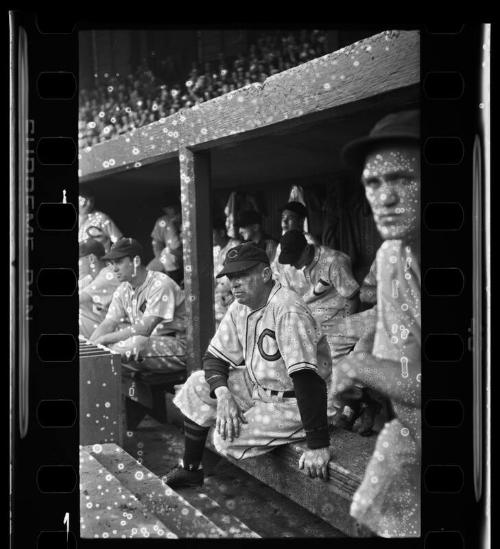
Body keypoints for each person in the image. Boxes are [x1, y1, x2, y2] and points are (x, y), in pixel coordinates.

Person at [165, 243, 333, 488]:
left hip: (293, 402)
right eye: (231, 276)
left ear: (265, 274)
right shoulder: (239, 307)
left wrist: (318, 445)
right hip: (258, 388)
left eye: (242, 275)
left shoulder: (287, 310)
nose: (235, 283)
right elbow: (214, 358)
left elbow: (307, 379)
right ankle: (190, 468)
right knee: (197, 384)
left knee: (226, 438)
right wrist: (223, 396)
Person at [333, 109, 421, 537]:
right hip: (409, 432)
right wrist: (361, 351)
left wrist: (355, 367)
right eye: (374, 182)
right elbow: (384, 323)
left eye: (403, 178)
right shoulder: (391, 254)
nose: (386, 197)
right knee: (370, 520)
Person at [89, 237, 186, 372]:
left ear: (136, 261)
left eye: (119, 262)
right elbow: (109, 323)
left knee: (135, 345)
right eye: (112, 263)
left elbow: (145, 329)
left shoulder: (160, 284)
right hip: (151, 344)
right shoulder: (123, 289)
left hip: (180, 345)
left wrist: (104, 339)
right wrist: (90, 346)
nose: (114, 268)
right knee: (103, 351)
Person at [278, 229, 360, 364]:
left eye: (294, 259)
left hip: (334, 323)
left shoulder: (334, 261)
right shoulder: (290, 268)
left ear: (306, 250)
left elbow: (352, 297)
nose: (292, 264)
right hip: (306, 324)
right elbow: (286, 300)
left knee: (329, 367)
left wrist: (346, 329)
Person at [79, 238, 120, 339]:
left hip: (119, 330)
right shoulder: (92, 277)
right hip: (104, 326)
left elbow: (80, 299)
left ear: (91, 259)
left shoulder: (109, 274)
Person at [212, 217, 241, 323]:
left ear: (222, 232)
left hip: (233, 294)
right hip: (217, 293)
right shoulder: (214, 249)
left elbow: (236, 276)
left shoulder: (235, 246)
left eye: (212, 233)